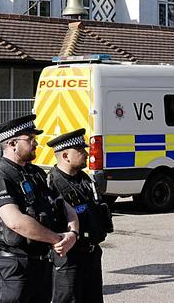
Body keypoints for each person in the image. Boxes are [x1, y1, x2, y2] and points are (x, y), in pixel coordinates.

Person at [0, 114, 79, 303]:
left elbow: (64, 206)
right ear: (12, 144)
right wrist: (57, 239)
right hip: (15, 268)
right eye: (30, 139)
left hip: (42, 263)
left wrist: (72, 233)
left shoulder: (36, 173)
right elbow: (15, 222)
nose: (36, 143)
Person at [47, 129, 114, 303]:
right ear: (65, 156)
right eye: (80, 150)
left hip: (91, 255)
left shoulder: (85, 180)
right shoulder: (52, 185)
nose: (86, 153)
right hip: (69, 259)